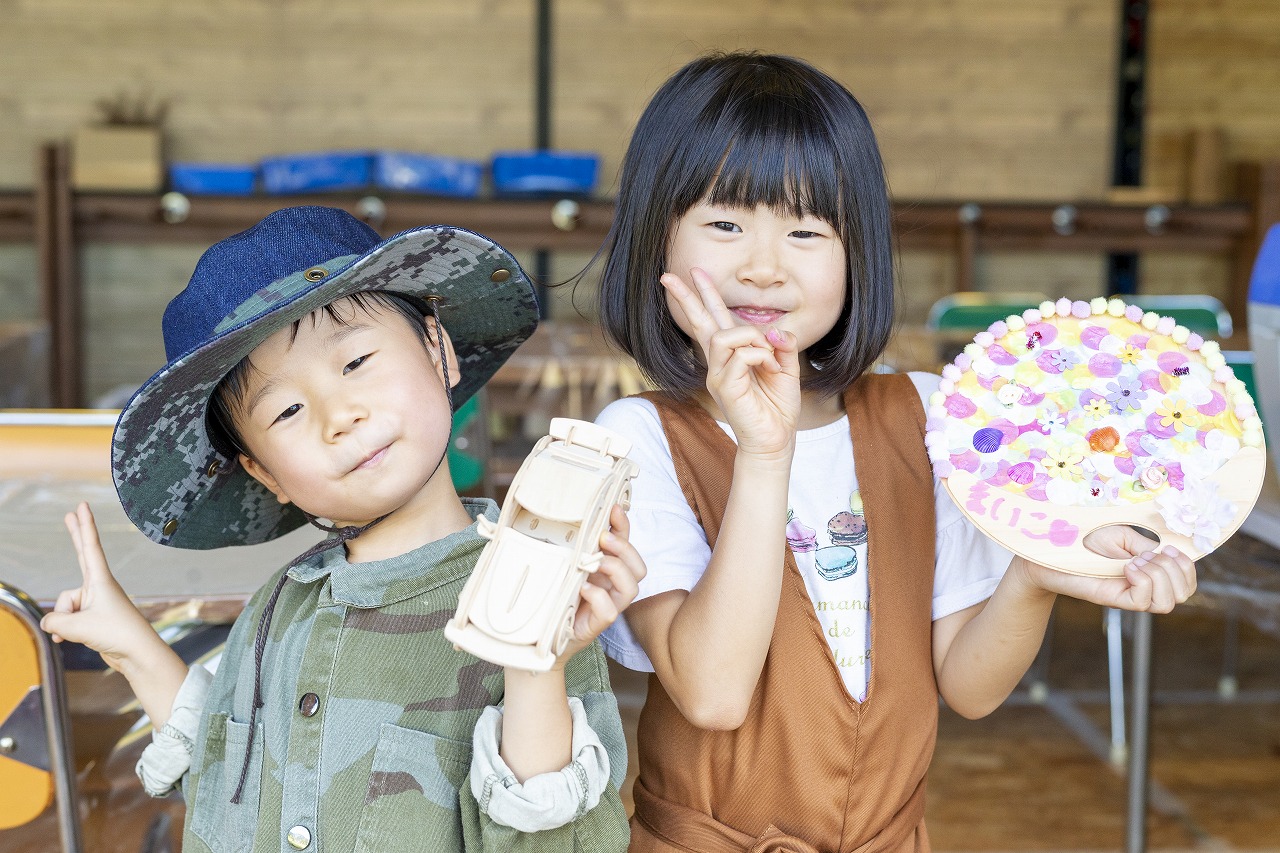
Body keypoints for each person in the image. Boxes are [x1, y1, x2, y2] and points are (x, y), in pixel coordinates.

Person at [587, 52, 1197, 852]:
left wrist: (1035, 574)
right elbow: (713, 690)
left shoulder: (927, 415)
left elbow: (968, 687)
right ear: (656, 237)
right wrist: (765, 453)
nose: (764, 265)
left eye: (807, 230)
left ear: (856, 253)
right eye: (726, 223)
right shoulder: (638, 436)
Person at [41, 206, 642, 852]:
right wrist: (131, 643)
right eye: (289, 409)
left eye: (356, 362)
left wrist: (532, 668)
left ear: (437, 350)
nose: (339, 416)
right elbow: (226, 784)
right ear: (262, 470)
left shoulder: (533, 597)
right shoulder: (277, 609)